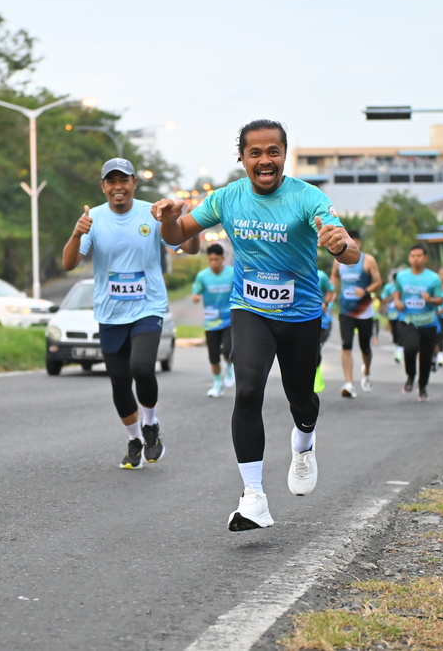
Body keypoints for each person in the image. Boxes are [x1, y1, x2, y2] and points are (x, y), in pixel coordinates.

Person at [151, 119, 359, 532]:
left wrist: (341, 245)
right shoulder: (226, 197)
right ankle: (253, 497)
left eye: (273, 152)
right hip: (250, 308)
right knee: (247, 390)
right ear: (242, 158)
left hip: (300, 314)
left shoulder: (307, 197)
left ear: (285, 155)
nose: (265, 160)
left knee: (301, 400)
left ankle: (304, 442)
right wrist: (169, 218)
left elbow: (349, 251)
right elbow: (177, 236)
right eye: (255, 153)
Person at [62, 157, 200, 469]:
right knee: (119, 382)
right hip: (110, 313)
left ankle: (150, 424)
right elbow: (69, 264)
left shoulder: (153, 213)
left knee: (142, 367)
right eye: (111, 181)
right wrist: (76, 234)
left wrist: (188, 224)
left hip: (147, 307)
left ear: (134, 183)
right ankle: (134, 439)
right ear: (103, 187)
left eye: (123, 180)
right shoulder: (93, 219)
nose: (118, 187)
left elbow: (189, 248)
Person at [329, 230, 382, 399]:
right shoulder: (338, 261)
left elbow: (378, 282)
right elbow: (334, 277)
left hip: (364, 311)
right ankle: (349, 383)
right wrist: (332, 291)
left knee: (365, 347)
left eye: (352, 241)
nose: (349, 244)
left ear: (358, 243)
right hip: (345, 310)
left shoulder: (368, 260)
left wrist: (365, 291)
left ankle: (366, 371)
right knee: (346, 345)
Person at [393, 245, 443, 402]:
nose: (415, 259)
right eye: (413, 256)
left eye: (419, 256)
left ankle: (422, 386)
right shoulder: (402, 276)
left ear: (425, 258)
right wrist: (397, 301)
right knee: (410, 348)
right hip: (408, 320)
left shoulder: (433, 278)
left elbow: (441, 299)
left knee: (426, 356)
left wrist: (430, 299)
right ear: (409, 258)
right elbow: (397, 292)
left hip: (428, 322)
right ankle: (410, 376)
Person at [191, 243, 235, 397]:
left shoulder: (232, 273)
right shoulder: (202, 276)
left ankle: (229, 367)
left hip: (229, 318)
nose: (213, 262)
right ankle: (217, 385)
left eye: (216, 259)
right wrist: (196, 297)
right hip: (211, 321)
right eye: (210, 259)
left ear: (223, 258)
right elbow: (195, 293)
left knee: (228, 350)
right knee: (213, 356)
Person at [315, 268, 336, 394]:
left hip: (321, 320)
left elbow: (331, 291)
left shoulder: (321, 275)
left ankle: (316, 373)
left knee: (315, 347)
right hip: (298, 318)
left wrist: (326, 303)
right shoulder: (293, 271)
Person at [379, 270, 403, 363]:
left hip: (403, 313)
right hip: (392, 313)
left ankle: (400, 350)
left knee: (401, 331)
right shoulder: (389, 287)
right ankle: (397, 347)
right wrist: (392, 297)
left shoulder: (405, 286)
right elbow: (383, 300)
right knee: (395, 331)